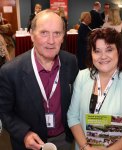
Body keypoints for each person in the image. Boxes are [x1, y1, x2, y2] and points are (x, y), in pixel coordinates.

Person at [0, 9, 78, 150]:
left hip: (64, 140)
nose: (51, 41)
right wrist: (24, 134)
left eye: (57, 33)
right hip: (30, 143)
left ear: (63, 37)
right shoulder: (10, 71)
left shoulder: (71, 62)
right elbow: (4, 112)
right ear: (31, 35)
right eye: (44, 33)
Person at [67, 28, 122, 150]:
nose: (103, 56)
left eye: (109, 50)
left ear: (119, 51)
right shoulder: (82, 76)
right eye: (97, 51)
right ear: (91, 54)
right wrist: (85, 146)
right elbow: (73, 116)